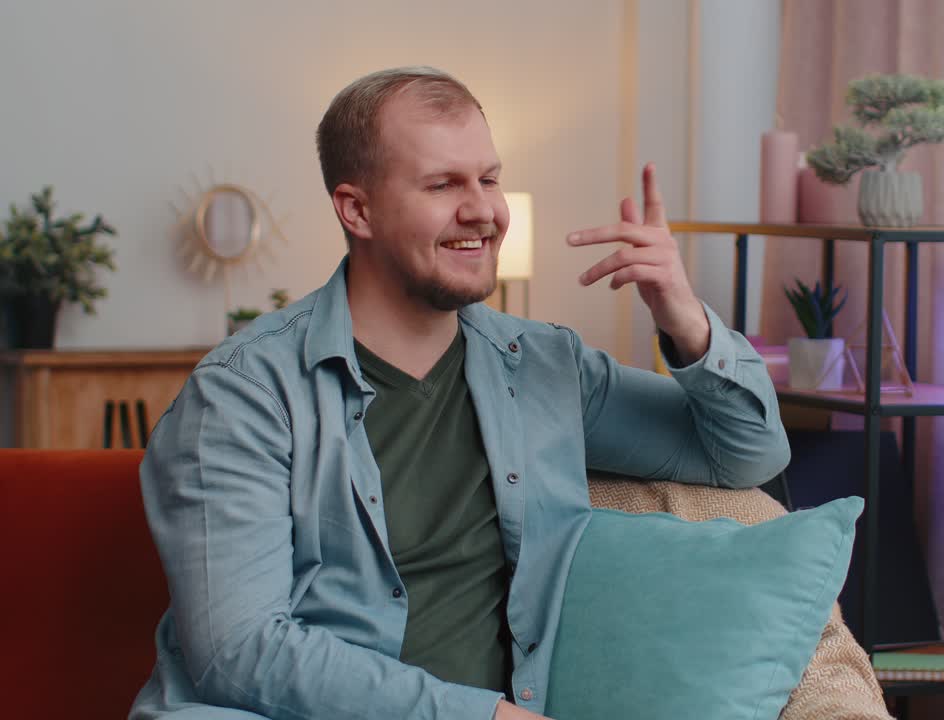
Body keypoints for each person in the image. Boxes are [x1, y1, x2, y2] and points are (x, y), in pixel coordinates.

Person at [129, 66, 789, 720]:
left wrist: (685, 317)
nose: (483, 210)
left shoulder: (545, 366)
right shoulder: (242, 396)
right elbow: (238, 653)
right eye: (443, 184)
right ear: (356, 209)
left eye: (490, 178)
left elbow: (747, 455)